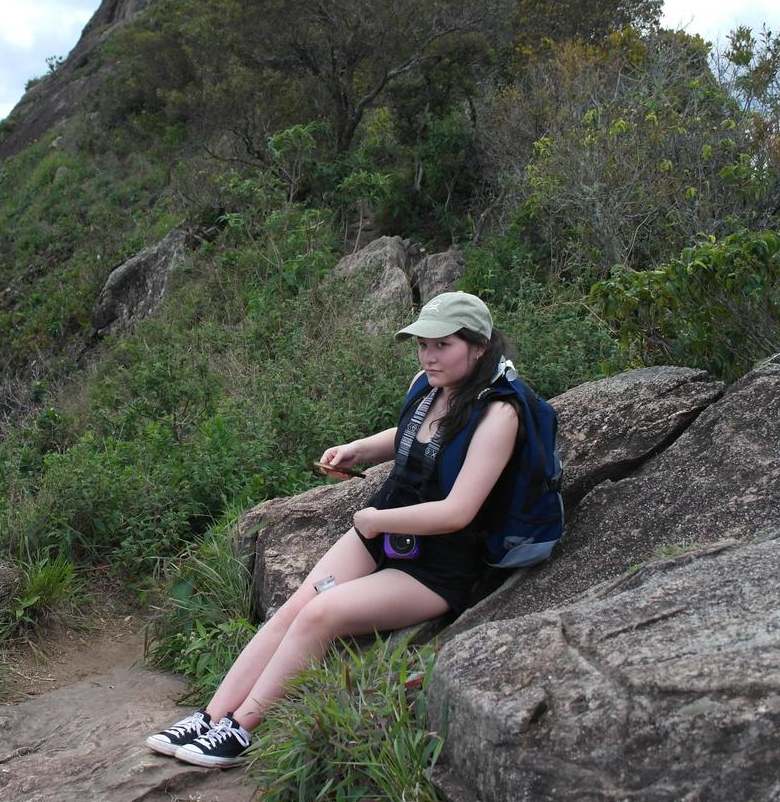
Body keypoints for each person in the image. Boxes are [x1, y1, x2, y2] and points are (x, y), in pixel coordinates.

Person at [145, 291, 521, 768]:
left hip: (436, 565)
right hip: (382, 533)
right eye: (422, 344)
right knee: (297, 603)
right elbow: (411, 436)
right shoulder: (428, 385)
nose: (428, 356)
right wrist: (358, 449)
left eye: (442, 345)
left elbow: (458, 511)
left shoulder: (498, 415)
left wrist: (377, 520)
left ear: (479, 346)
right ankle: (210, 715)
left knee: (319, 615)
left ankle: (241, 731)